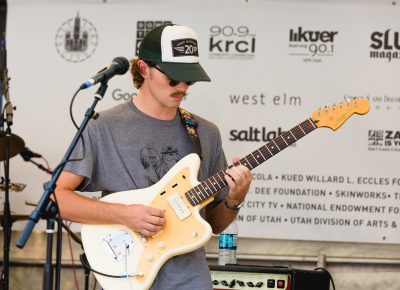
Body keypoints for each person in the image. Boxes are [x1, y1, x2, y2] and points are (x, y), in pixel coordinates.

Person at [55, 23, 252, 290]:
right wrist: (124, 215)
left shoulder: (205, 133)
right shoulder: (103, 126)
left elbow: (213, 225)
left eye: (189, 79)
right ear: (143, 69)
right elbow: (59, 199)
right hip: (126, 274)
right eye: (173, 77)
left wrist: (234, 199)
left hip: (190, 281)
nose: (182, 86)